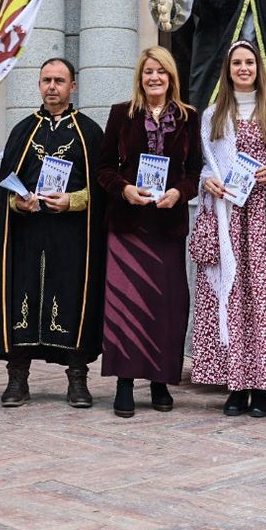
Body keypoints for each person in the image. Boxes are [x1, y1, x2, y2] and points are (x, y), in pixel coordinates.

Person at [190, 39, 266, 418]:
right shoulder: (212, 114)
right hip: (229, 215)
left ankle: (264, 386)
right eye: (237, 62)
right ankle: (236, 384)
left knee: (265, 296)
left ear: (259, 68)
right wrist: (208, 181)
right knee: (233, 296)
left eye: (249, 62)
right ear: (228, 69)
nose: (243, 68)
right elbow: (208, 164)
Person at [95, 45, 203, 418]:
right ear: (140, 77)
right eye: (147, 72)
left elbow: (195, 171)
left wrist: (179, 193)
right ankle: (125, 382)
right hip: (127, 225)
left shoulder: (190, 118)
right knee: (125, 304)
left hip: (167, 226)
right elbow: (104, 167)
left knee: (164, 307)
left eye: (160, 71)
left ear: (171, 76)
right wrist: (124, 188)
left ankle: (159, 382)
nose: (154, 77)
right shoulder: (120, 115)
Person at [0, 58, 106, 409]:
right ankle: (17, 378)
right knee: (21, 296)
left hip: (72, 234)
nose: (51, 86)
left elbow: (102, 188)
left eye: (59, 80)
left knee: (72, 297)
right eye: (46, 80)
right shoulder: (22, 130)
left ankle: (77, 379)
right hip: (27, 233)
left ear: (73, 87)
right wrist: (16, 203)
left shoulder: (89, 132)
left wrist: (73, 201)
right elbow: (3, 187)